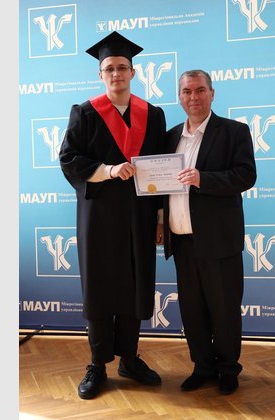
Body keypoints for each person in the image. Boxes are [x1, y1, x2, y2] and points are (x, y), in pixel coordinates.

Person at [59, 31, 166, 400]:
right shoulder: (85, 113)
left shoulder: (153, 114)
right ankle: (97, 364)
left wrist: (161, 219)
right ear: (100, 74)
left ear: (133, 72)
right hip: (100, 216)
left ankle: (130, 359)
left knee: (135, 284)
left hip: (140, 214)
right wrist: (107, 170)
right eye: (109, 68)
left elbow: (161, 167)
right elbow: (69, 159)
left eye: (122, 67)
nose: (116, 73)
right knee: (101, 286)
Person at [158, 69, 256, 395]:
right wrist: (160, 221)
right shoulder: (170, 137)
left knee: (224, 309)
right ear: (179, 97)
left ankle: (228, 369)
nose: (194, 97)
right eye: (187, 91)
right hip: (181, 240)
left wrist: (203, 179)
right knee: (193, 310)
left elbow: (246, 176)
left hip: (219, 241)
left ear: (212, 94)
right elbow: (160, 187)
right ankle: (202, 367)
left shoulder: (234, 131)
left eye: (200, 90)